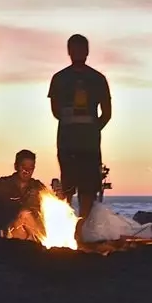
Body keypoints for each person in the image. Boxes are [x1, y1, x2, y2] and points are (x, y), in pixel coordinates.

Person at [47, 34, 112, 218]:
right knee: (67, 185)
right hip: (67, 142)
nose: (77, 52)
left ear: (87, 51)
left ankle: (83, 225)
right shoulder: (59, 78)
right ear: (68, 51)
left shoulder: (98, 79)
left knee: (88, 187)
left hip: (89, 144)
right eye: (74, 49)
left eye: (81, 49)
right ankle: (66, 224)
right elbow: (55, 111)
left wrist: (92, 129)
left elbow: (107, 113)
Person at [0, 150, 47, 241]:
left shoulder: (37, 186)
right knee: (25, 215)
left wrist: (59, 193)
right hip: (10, 234)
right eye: (23, 167)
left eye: (31, 168)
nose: (27, 171)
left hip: (35, 233)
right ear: (16, 166)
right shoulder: (3, 184)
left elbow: (54, 203)